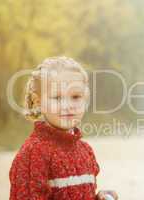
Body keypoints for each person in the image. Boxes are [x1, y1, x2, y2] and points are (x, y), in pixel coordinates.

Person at [9, 56, 118, 200]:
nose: (67, 105)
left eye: (75, 97)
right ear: (38, 101)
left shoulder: (85, 151)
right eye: (57, 98)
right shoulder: (33, 154)